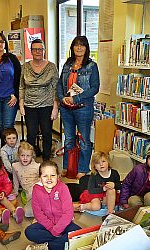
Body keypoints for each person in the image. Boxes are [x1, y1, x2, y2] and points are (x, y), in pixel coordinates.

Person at [57, 35, 100, 179]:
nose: (79, 47)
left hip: (83, 107)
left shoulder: (91, 66)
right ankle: (67, 167)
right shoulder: (67, 64)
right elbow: (59, 84)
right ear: (72, 48)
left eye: (82, 45)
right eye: (76, 45)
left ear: (87, 48)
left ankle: (82, 168)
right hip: (66, 108)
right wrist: (62, 98)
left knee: (84, 140)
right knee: (68, 138)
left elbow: (95, 88)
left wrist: (76, 98)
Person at [24, 161, 81, 250]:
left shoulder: (63, 188)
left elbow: (68, 213)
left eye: (53, 175)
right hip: (47, 225)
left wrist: (57, 229)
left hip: (64, 223)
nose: (49, 179)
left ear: (58, 177)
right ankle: (62, 242)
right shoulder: (36, 190)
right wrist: (52, 229)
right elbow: (38, 213)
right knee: (29, 232)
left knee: (79, 235)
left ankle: (47, 247)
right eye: (45, 176)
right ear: (40, 178)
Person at [19, 39, 59, 160]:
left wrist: (55, 108)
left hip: (47, 105)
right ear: (31, 51)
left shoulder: (51, 67)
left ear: (44, 50)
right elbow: (21, 86)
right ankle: (29, 160)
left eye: (40, 49)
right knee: (31, 134)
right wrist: (21, 104)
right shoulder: (25, 67)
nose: (38, 51)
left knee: (47, 133)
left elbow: (56, 89)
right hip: (29, 105)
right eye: (35, 49)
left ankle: (46, 159)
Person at [12, 141, 40, 218]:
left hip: (38, 190)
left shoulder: (37, 166)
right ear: (18, 155)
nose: (25, 158)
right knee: (27, 213)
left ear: (32, 156)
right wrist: (16, 190)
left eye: (28, 156)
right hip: (29, 194)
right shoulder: (15, 166)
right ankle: (16, 213)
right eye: (22, 155)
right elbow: (15, 179)